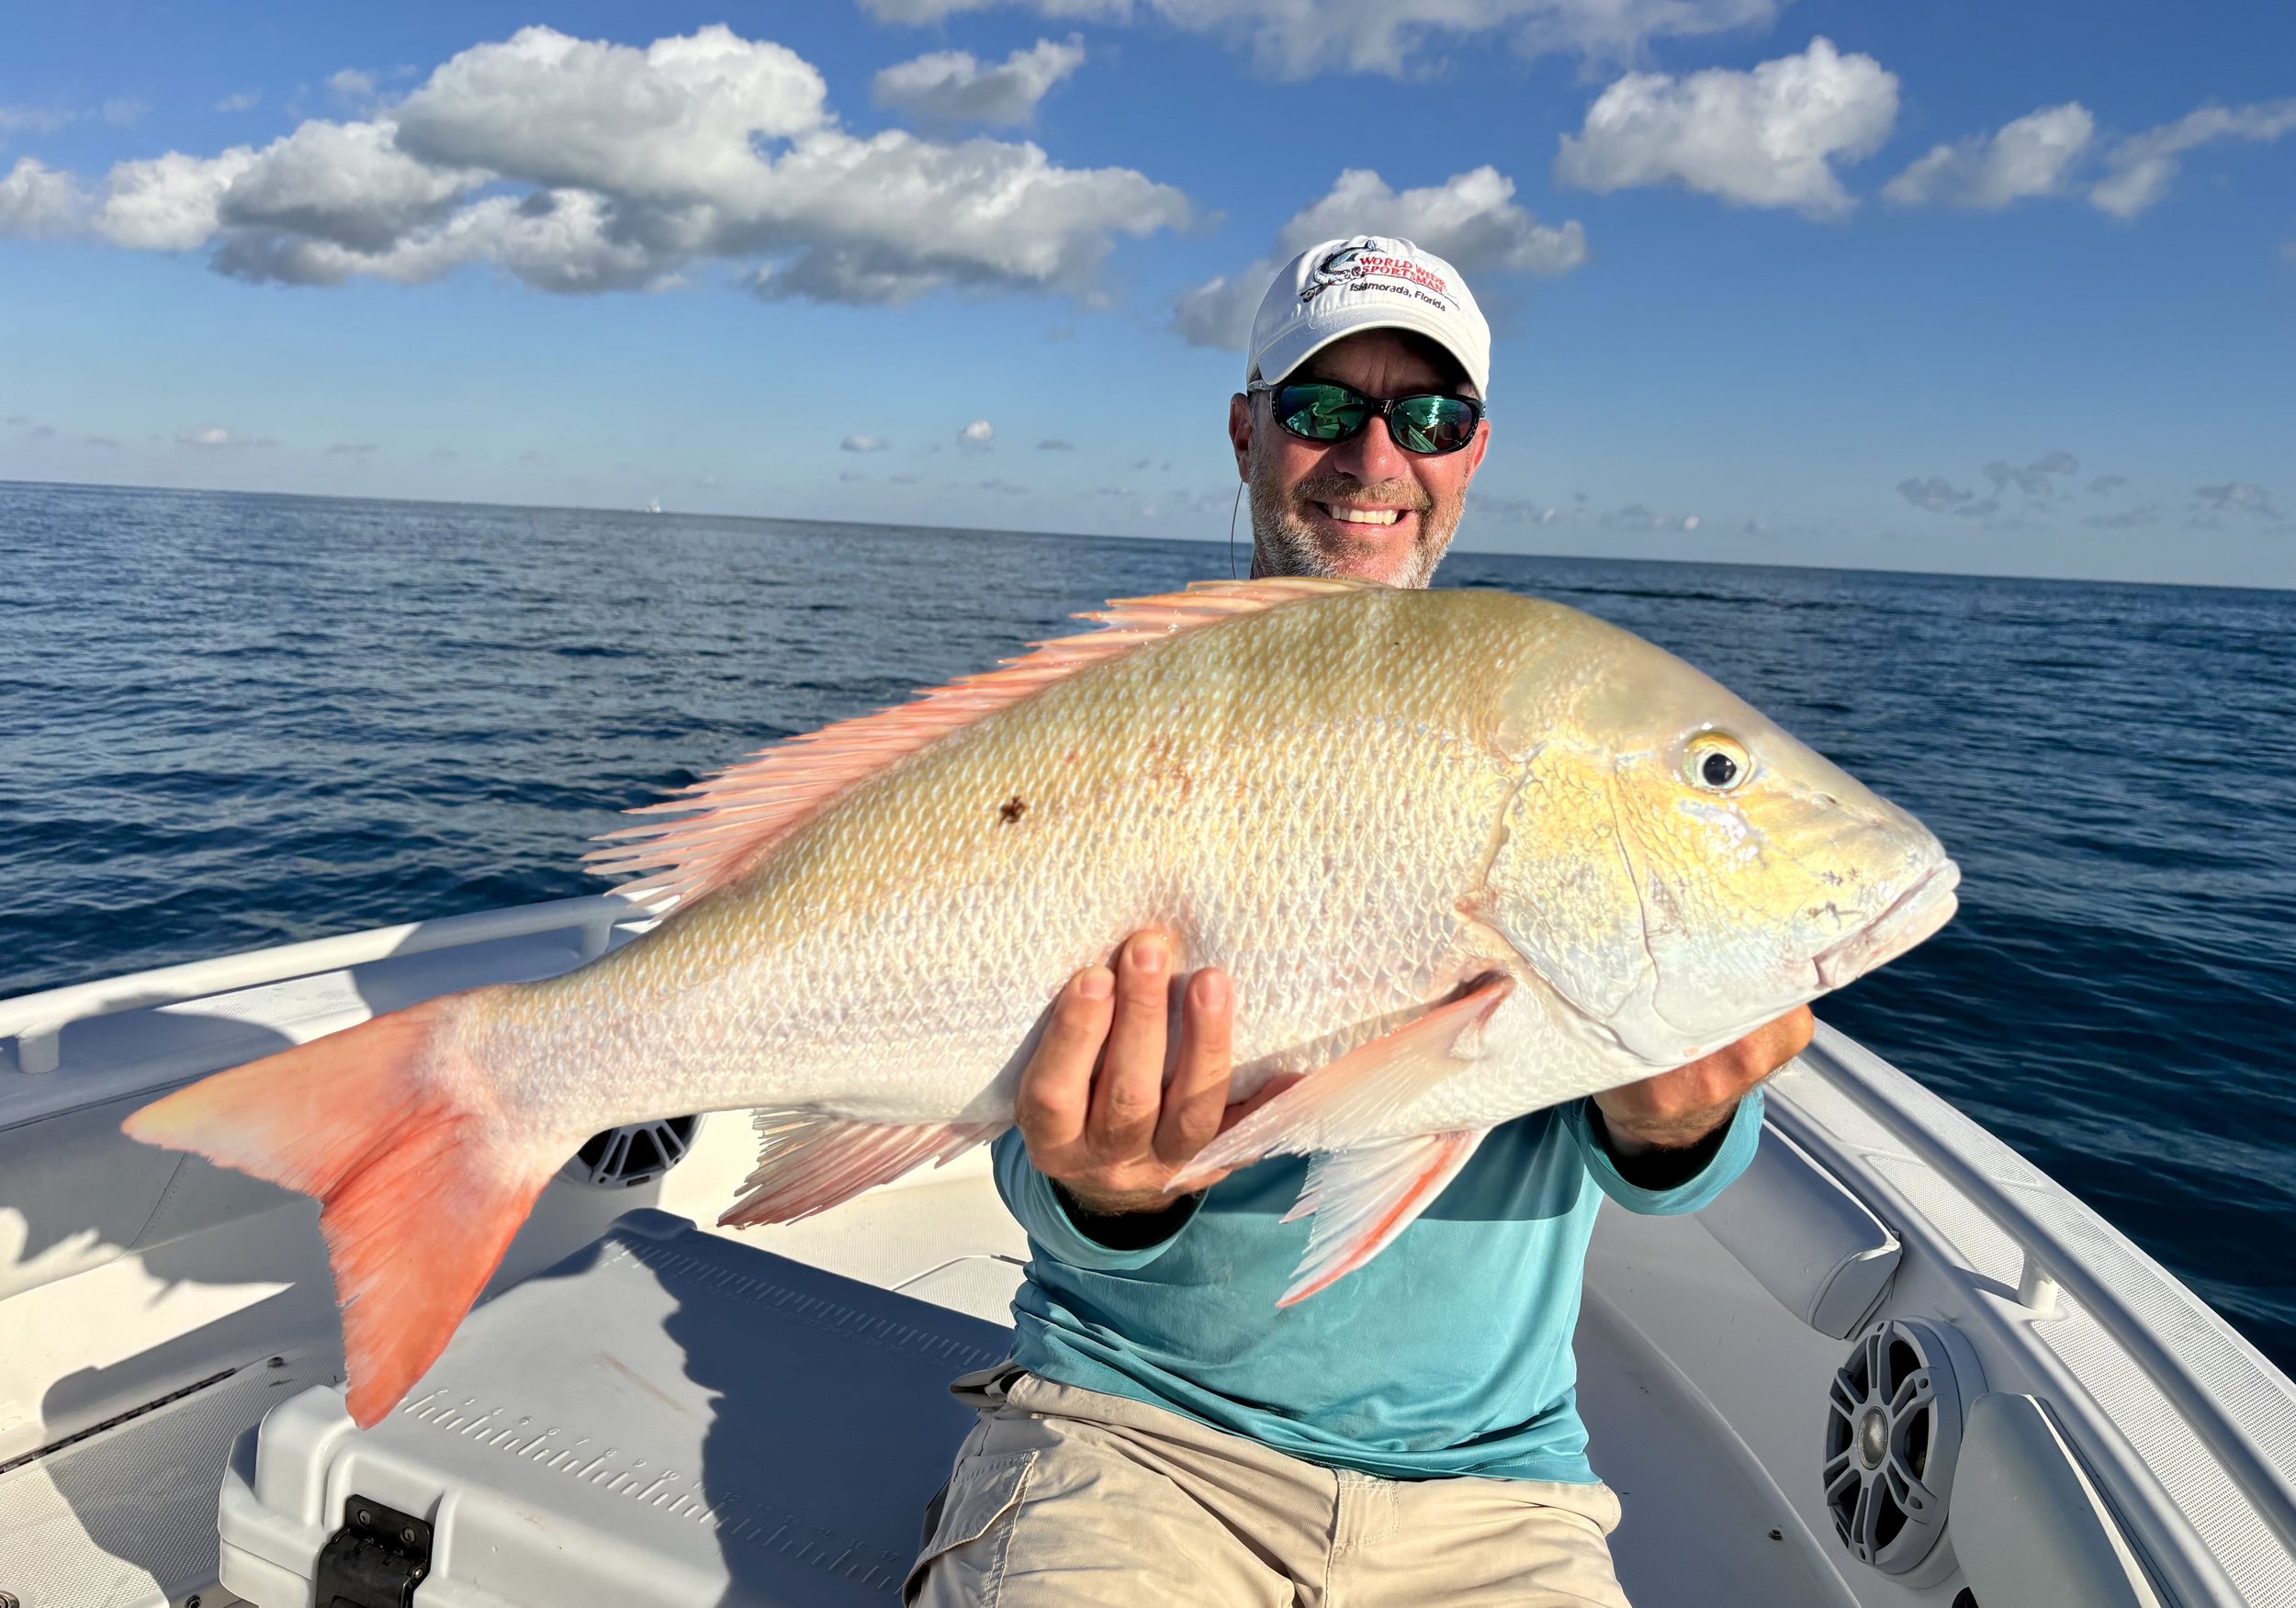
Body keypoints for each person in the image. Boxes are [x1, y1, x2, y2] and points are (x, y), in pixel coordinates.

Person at [906, 235, 1812, 1607]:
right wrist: (1103, 1188)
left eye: (1429, 416)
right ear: (1246, 427)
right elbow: (1016, 1099)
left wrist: (1677, 1114)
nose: (1374, 458)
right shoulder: (1107, 724)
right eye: (1323, 408)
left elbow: (1644, 1143)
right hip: (1128, 1432)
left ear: (1475, 450)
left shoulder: (1558, 732)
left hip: (1501, 1487)